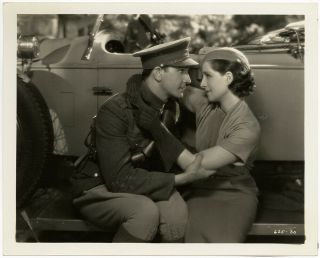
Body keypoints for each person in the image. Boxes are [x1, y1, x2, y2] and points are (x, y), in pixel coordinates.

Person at [71, 37, 215, 243]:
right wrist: (181, 179)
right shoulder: (115, 111)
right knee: (144, 214)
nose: (189, 79)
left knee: (177, 215)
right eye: (181, 71)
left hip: (141, 179)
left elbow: (168, 150)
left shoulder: (170, 107)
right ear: (158, 73)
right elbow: (119, 179)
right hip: (97, 186)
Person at [137, 47, 261, 242]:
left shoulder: (247, 127)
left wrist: (157, 128)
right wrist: (138, 81)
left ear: (228, 77)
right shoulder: (207, 104)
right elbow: (166, 85)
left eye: (208, 76)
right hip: (200, 191)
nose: (201, 84)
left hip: (234, 196)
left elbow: (196, 165)